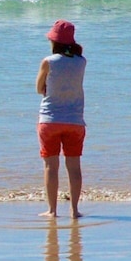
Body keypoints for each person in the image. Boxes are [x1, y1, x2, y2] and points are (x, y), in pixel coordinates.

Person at [35, 20, 86, 218]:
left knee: (51, 166)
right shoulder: (81, 62)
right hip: (75, 121)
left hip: (49, 119)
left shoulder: (48, 61)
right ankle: (74, 210)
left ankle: (52, 210)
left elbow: (39, 88)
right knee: (74, 167)